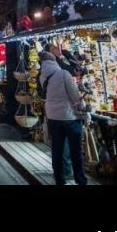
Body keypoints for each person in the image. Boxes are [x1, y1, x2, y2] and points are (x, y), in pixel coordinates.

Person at [39, 52, 87, 185]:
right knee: (75, 151)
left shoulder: (43, 76)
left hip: (53, 117)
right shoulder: (63, 74)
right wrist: (83, 110)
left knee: (57, 150)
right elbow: (75, 95)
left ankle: (59, 180)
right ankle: (80, 180)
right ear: (54, 61)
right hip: (69, 117)